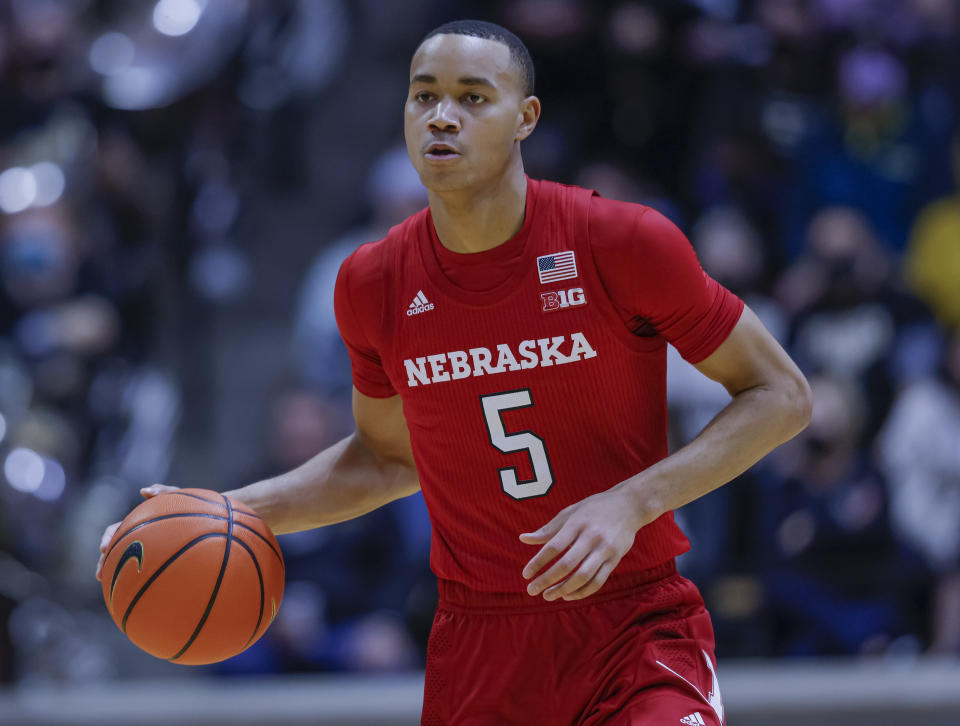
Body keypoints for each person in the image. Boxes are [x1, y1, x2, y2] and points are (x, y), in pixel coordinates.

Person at [97, 19, 811, 725]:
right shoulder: (372, 283)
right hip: (480, 648)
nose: (442, 116)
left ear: (525, 117)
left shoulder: (620, 241)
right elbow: (389, 460)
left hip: (632, 627)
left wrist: (633, 501)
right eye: (424, 96)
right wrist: (222, 512)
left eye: (473, 98)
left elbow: (781, 394)